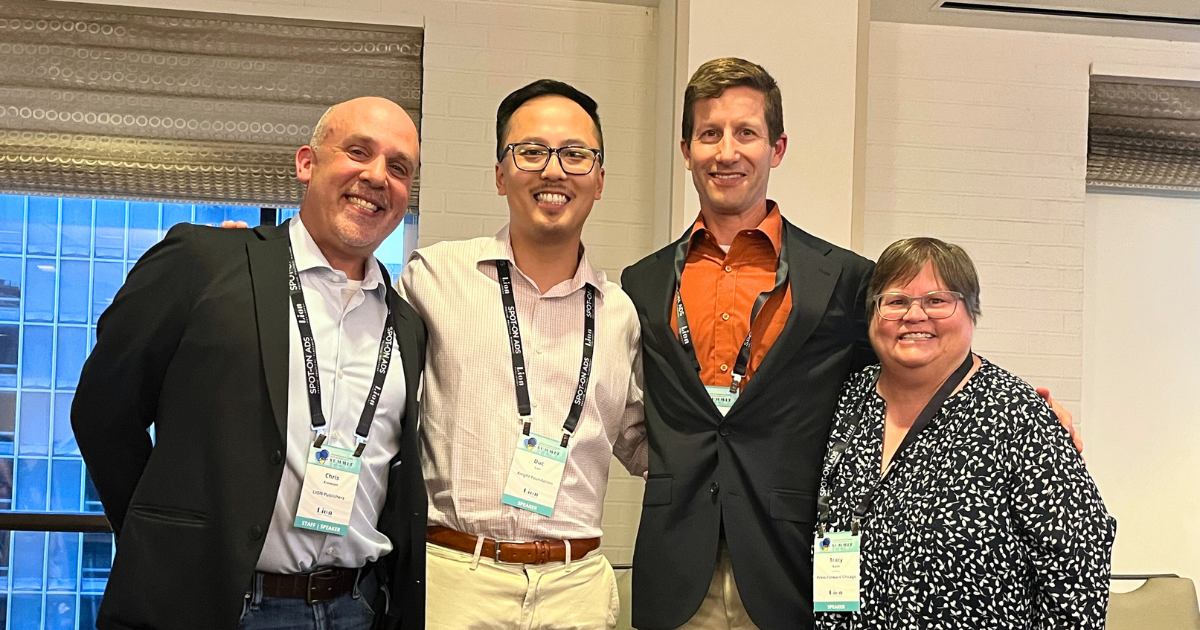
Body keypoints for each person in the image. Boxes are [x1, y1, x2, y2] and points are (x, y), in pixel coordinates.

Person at [621, 58, 1080, 630]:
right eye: (709, 134)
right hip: (675, 566)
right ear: (686, 148)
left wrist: (1024, 410)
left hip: (789, 567)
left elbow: (912, 358)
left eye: (747, 133)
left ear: (777, 147)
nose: (727, 151)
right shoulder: (640, 283)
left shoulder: (841, 278)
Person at [71, 97, 428, 630]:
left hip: (355, 606)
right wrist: (164, 542)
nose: (377, 176)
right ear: (307, 163)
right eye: (358, 152)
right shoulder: (203, 264)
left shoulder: (407, 322)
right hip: (214, 607)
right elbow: (103, 413)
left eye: (399, 168)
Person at [397, 80, 646, 630]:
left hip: (576, 587)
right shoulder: (434, 277)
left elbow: (644, 445)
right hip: (458, 579)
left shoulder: (622, 314)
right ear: (499, 173)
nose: (553, 170)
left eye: (576, 154)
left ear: (599, 179)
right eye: (531, 152)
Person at [814, 237, 1114, 629]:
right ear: (872, 315)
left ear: (972, 312)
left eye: (938, 300)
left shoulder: (1019, 417)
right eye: (896, 301)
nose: (915, 315)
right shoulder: (845, 399)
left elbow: (1078, 569)